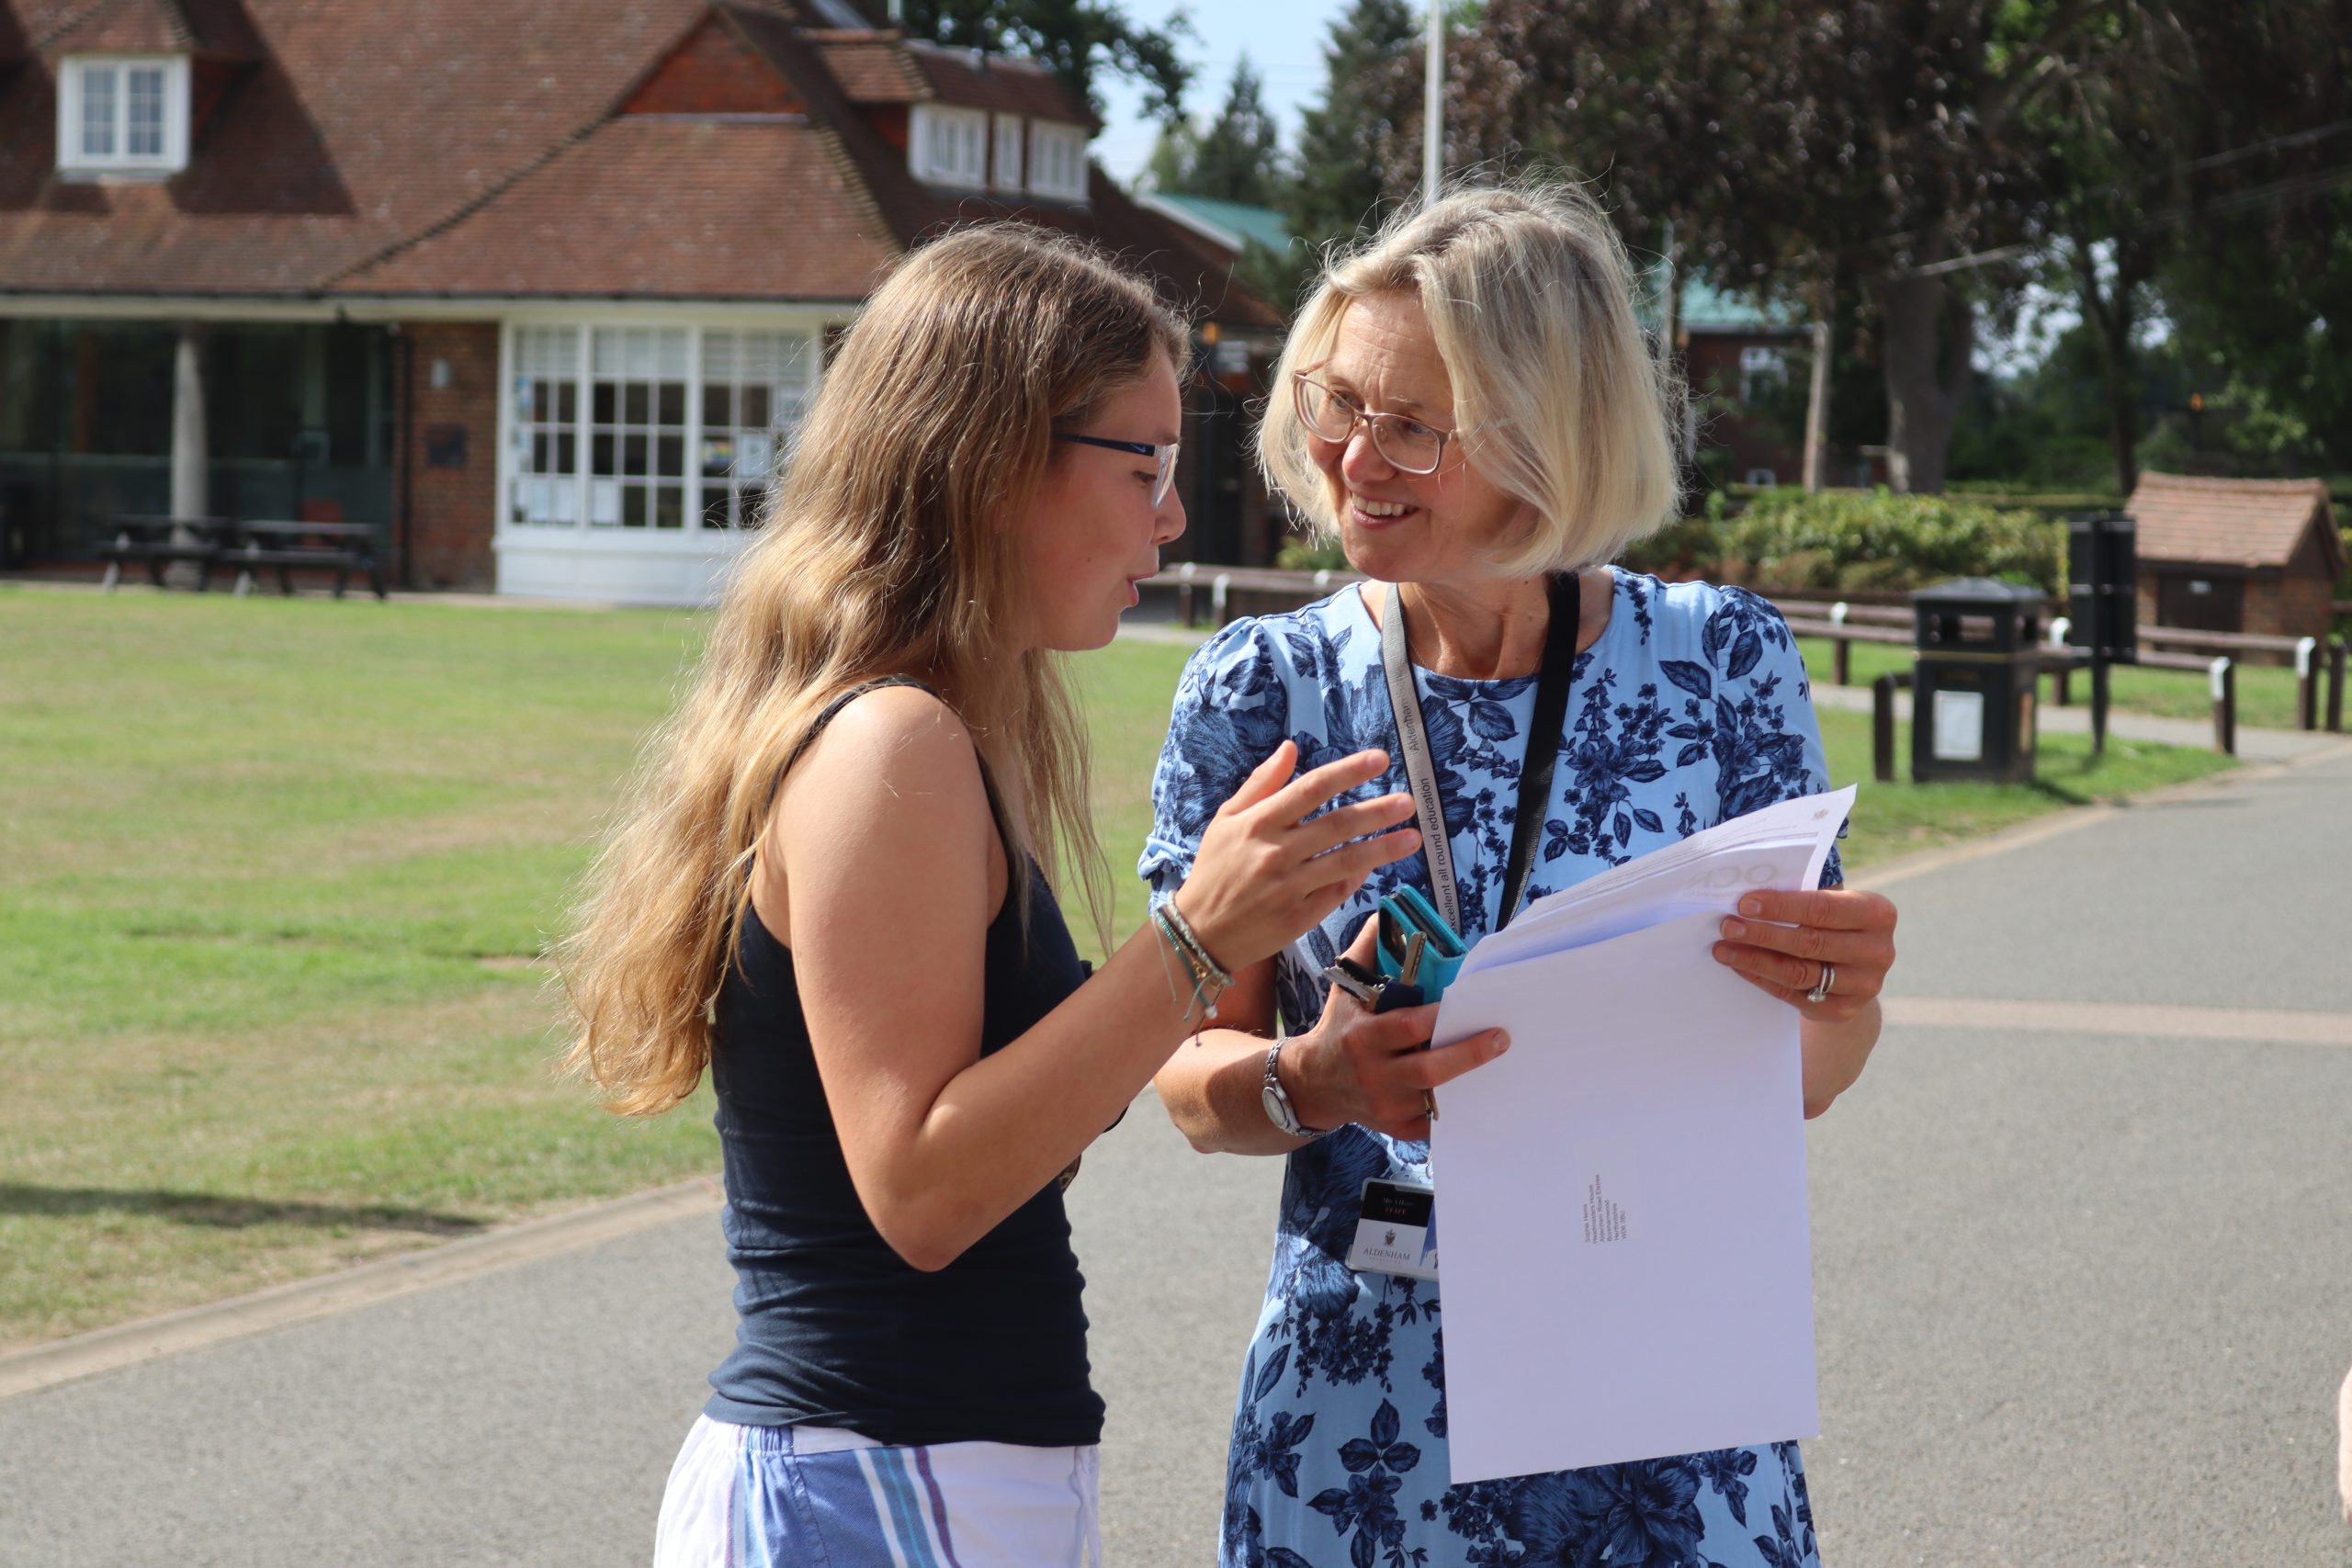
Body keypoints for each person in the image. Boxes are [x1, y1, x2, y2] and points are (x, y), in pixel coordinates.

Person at [559, 224, 1424, 1568]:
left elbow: (1013, 1145)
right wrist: (1200, 939)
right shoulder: (887, 743)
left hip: (919, 1480)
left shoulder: (943, 731)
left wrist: (1298, 1056)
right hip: (873, 1482)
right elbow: (923, 1192)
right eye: (1145, 466)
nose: (1173, 518)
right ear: (996, 462)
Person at [1141, 184, 1902, 1568]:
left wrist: (1840, 996)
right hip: (1360, 1421)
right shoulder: (1263, 689)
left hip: (1659, 1402)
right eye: (1338, 402)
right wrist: (1312, 1081)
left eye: (1414, 425)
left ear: (1548, 436)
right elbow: (1189, 1078)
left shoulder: (1721, 662)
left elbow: (1804, 1075)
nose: (1353, 456)